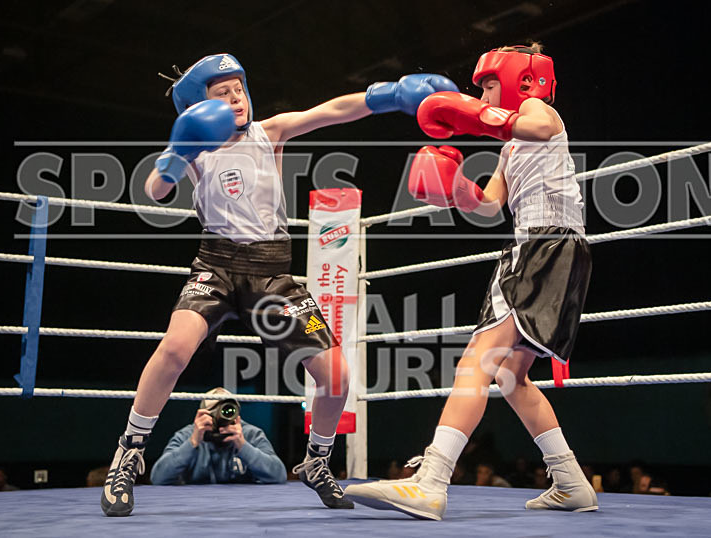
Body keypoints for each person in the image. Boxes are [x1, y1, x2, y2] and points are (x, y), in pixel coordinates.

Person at [99, 52, 458, 517]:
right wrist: (172, 160)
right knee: (173, 349)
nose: (235, 99)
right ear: (199, 107)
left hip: (273, 275)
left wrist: (390, 95)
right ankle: (127, 455)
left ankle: (316, 461)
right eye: (221, 93)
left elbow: (331, 110)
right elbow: (154, 191)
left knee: (337, 377)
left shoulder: (269, 132)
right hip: (217, 267)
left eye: (239, 90)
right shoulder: (195, 147)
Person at [344, 43, 595, 520]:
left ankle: (431, 482)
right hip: (538, 248)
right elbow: (488, 206)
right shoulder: (509, 147)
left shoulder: (540, 112)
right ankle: (571, 481)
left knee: (477, 362)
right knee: (509, 374)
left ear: (521, 79)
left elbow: (538, 124)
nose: (480, 93)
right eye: (478, 88)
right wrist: (453, 184)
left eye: (487, 84)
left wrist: (475, 115)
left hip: (549, 244)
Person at [150, 388, 286, 485]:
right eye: (217, 410)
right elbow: (158, 477)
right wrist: (192, 443)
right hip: (196, 507)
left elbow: (279, 475)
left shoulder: (250, 434)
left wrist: (243, 446)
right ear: (204, 414)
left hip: (244, 507)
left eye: (229, 410)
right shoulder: (189, 434)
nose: (224, 415)